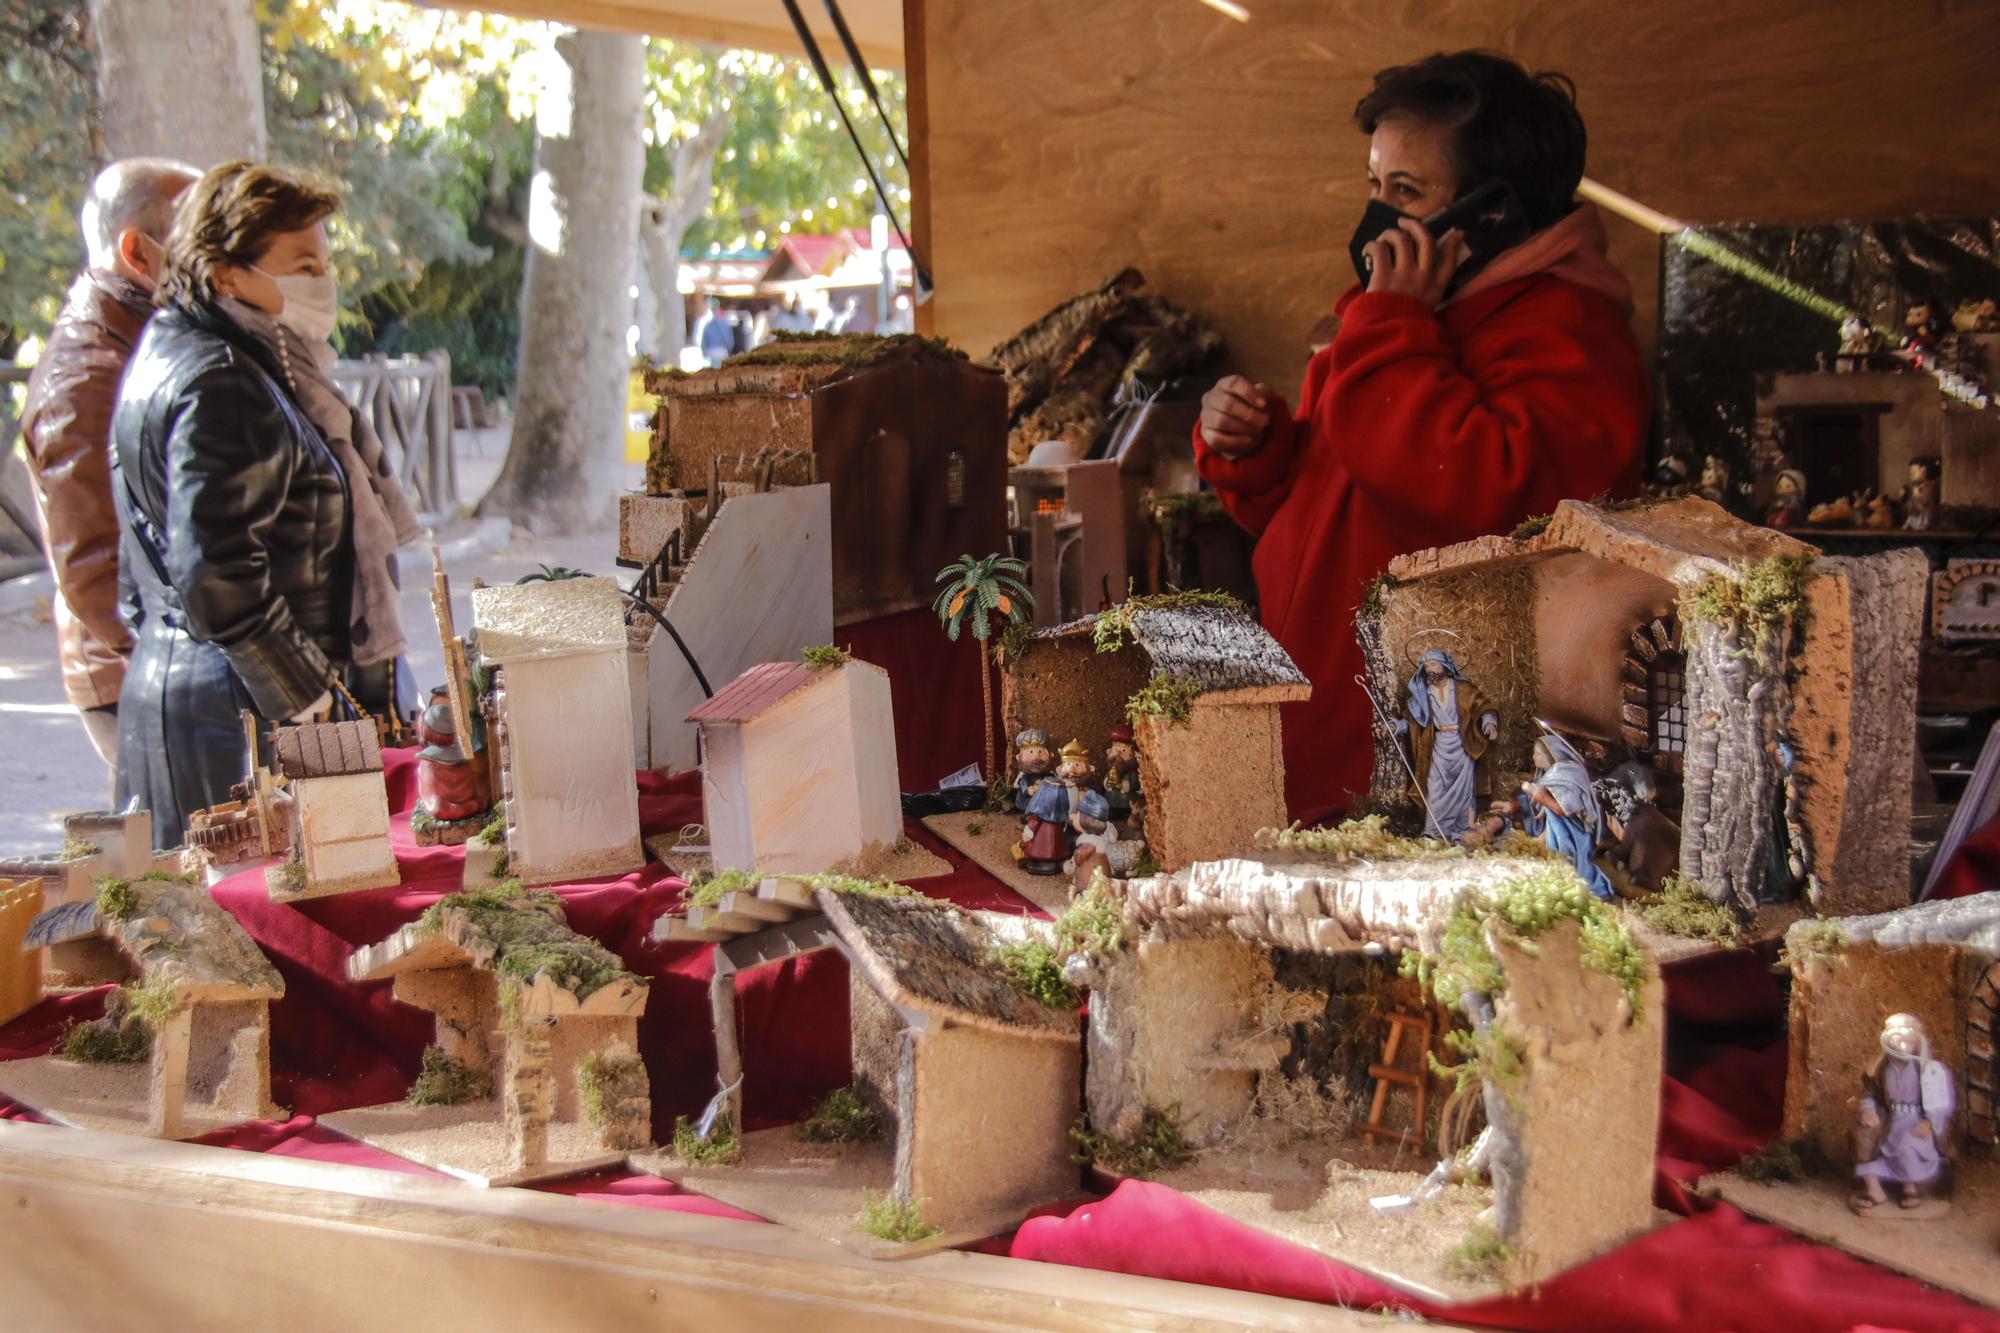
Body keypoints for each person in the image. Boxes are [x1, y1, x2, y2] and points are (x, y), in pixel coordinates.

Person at [1194, 51, 1649, 823]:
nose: (1378, 218)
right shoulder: (1404, 315)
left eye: (1405, 192)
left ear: (1492, 213)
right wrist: (1262, 451)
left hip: (1428, 773)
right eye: (1375, 185)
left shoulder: (1571, 336)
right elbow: (1339, 501)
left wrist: (1389, 329)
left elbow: (1473, 495)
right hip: (1318, 724)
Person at [112, 161, 420, 847]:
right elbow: (217, 580)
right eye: (302, 263)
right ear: (227, 272)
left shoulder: (188, 351)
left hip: (197, 701)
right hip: (241, 728)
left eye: (324, 262)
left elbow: (142, 576)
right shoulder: (223, 378)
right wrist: (321, 712)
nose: (323, 282)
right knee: (262, 934)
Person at [19, 158, 199, 776]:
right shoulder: (87, 373)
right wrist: (186, 671)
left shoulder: (145, 335)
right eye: (198, 232)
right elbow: (94, 569)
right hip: (139, 684)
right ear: (136, 250)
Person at [1852, 1012, 1955, 1213]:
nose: (1903, 1041)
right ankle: (1875, 1190)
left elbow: (1941, 1100)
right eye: (1898, 1035)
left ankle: (1910, 1187)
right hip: (1889, 1119)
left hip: (1915, 1119)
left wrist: (1930, 1122)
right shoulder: (1880, 1069)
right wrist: (1867, 1111)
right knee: (1864, 1139)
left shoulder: (1927, 1069)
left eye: (1909, 1037)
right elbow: (1869, 1095)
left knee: (1908, 1145)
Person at [1396, 648, 1497, 843]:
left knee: (1464, 791)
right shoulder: (1424, 694)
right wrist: (1396, 726)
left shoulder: (1463, 690)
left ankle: (1462, 830)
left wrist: (1489, 723)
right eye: (1426, 667)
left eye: (1433, 664)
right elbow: (1413, 722)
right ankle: (1433, 832)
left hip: (1462, 746)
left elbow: (1483, 707)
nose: (1429, 670)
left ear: (1445, 666)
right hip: (1439, 745)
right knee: (1435, 786)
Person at [694, 300, 733, 368]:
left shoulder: (707, 325)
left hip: (712, 353)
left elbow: (704, 342)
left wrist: (704, 353)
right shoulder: (724, 323)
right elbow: (729, 340)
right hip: (722, 352)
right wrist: (728, 350)